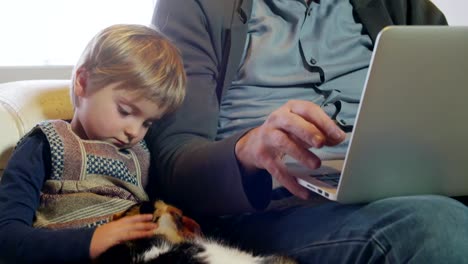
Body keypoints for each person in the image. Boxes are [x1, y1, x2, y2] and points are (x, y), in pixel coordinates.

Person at [148, 0, 468, 263]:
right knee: (436, 226)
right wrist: (248, 149)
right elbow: (175, 160)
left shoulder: (397, 5)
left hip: (403, 186)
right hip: (274, 210)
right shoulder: (194, 7)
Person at [0, 24, 186, 263]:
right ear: (83, 82)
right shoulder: (45, 144)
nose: (134, 132)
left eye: (147, 123)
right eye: (125, 110)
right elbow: (6, 236)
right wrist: (91, 241)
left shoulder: (141, 154)